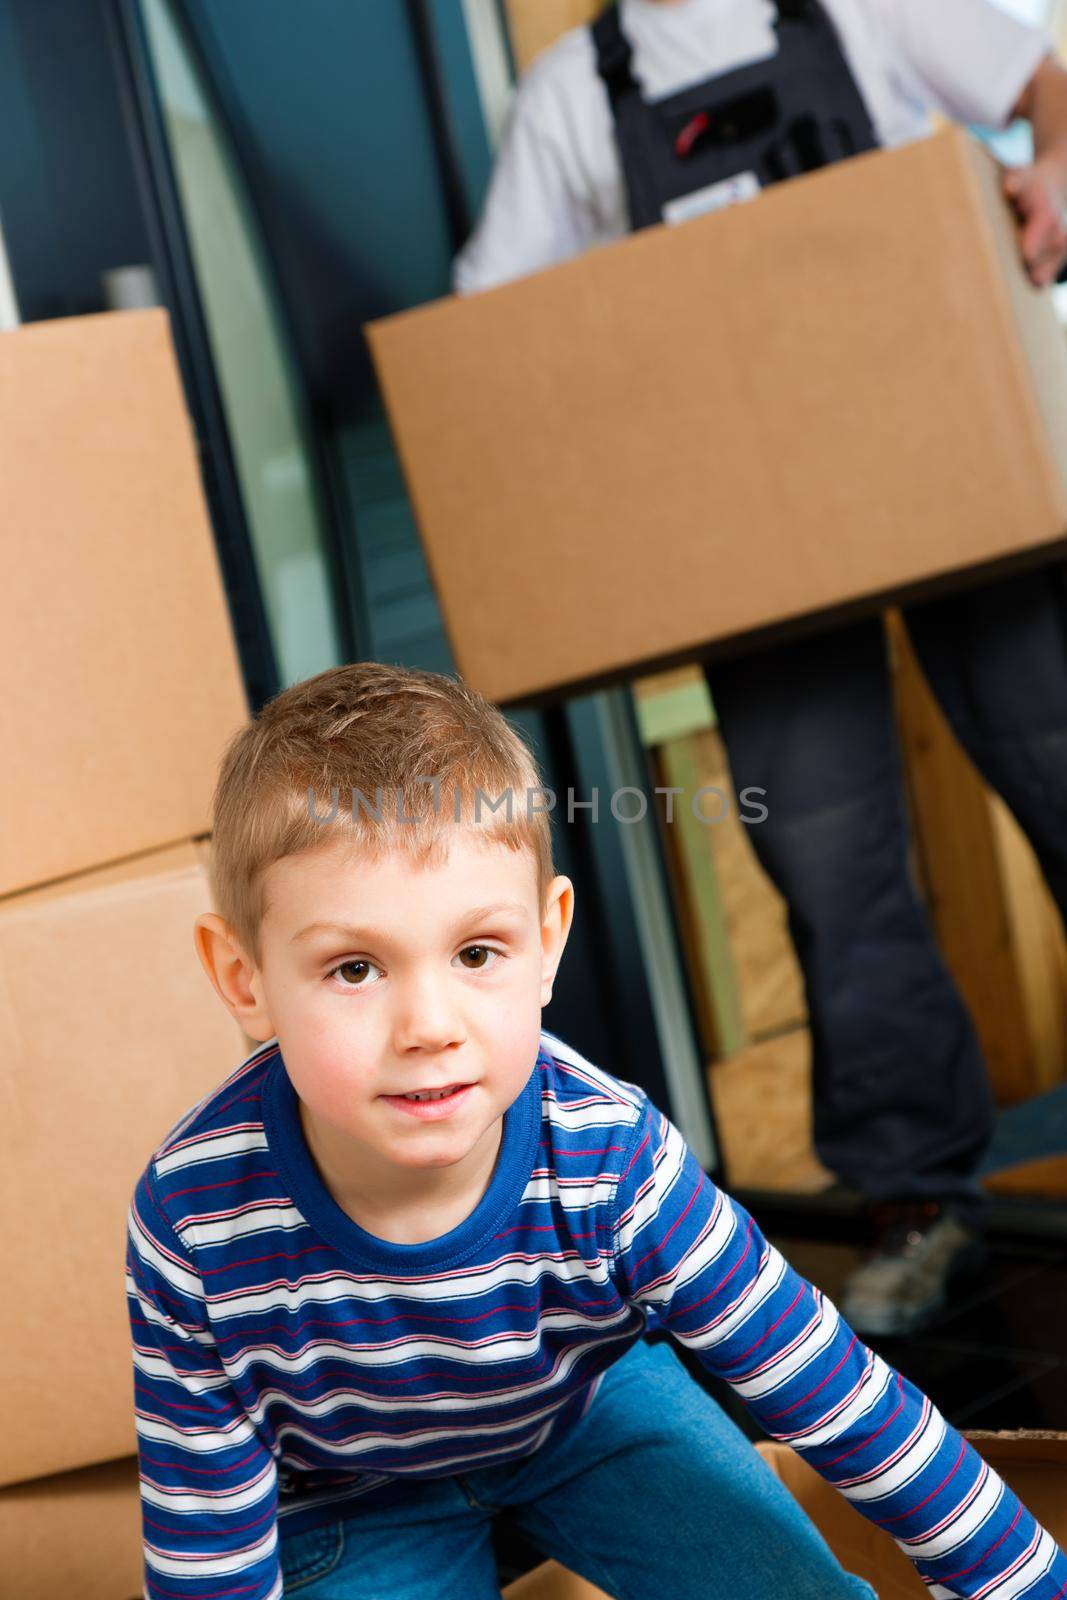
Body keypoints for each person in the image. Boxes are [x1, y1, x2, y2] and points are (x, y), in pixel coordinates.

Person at [125, 660, 1067, 1599]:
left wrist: (1015, 1583)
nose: (429, 1027)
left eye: (476, 952)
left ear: (547, 941)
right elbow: (203, 1538)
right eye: (355, 969)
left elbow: (831, 1388)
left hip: (585, 1417)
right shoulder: (191, 1221)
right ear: (244, 978)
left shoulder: (612, 1160)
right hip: (348, 1492)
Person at [452, 0, 1067, 1337]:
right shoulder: (574, 95)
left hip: (961, 467)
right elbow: (483, 330)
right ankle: (916, 1203)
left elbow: (1042, 83)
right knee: (828, 869)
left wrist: (1048, 173)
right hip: (751, 541)